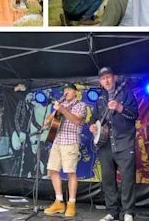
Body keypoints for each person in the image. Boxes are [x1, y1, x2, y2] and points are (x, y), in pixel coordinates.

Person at [89, 67, 138, 221]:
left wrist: (119, 107)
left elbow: (135, 114)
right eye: (103, 79)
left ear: (114, 78)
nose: (106, 81)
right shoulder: (100, 98)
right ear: (101, 82)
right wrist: (92, 126)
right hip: (105, 145)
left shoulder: (125, 93)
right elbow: (94, 118)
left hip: (124, 142)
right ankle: (112, 211)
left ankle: (128, 212)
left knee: (127, 178)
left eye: (108, 77)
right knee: (108, 179)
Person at [43, 83, 87, 218]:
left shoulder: (80, 105)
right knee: (52, 170)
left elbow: (77, 121)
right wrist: (55, 111)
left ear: (75, 92)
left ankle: (72, 203)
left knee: (70, 172)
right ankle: (59, 201)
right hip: (57, 141)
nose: (65, 92)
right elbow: (46, 123)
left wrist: (62, 110)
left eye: (68, 90)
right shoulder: (60, 105)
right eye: (64, 90)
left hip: (71, 142)